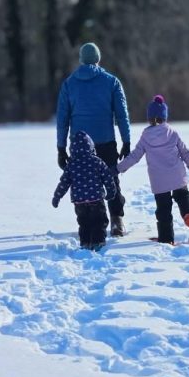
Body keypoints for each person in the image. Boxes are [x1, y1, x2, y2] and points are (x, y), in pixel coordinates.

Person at [56, 42, 131, 237]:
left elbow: (62, 120)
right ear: (98, 59)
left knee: (82, 181)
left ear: (81, 60)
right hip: (106, 141)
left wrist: (61, 148)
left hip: (79, 145)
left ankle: (87, 222)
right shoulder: (111, 82)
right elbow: (122, 115)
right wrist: (126, 140)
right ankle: (116, 220)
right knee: (112, 179)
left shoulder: (69, 84)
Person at [116, 95, 189, 245]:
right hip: (177, 176)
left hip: (159, 182)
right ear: (165, 116)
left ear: (149, 118)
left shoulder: (146, 136)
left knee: (163, 211)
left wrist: (119, 168)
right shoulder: (172, 132)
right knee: (184, 197)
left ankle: (166, 238)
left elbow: (135, 156)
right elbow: (185, 153)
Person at [51, 131, 117, 250]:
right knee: (99, 220)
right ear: (91, 147)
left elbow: (64, 182)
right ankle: (98, 242)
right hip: (96, 199)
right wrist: (111, 191)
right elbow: (107, 177)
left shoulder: (71, 165)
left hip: (79, 201)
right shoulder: (97, 161)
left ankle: (85, 242)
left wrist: (57, 197)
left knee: (84, 222)